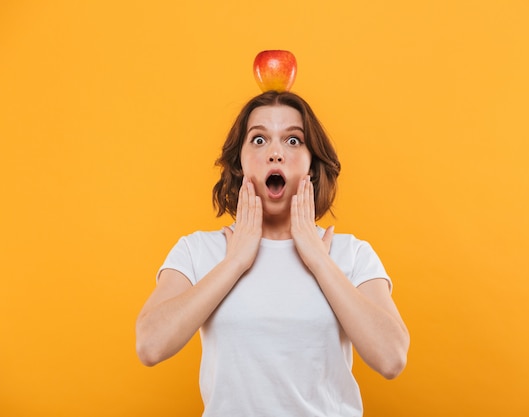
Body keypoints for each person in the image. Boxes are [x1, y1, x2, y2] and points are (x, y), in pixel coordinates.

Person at [136, 91, 410, 416]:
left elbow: (392, 358)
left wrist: (318, 259)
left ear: (312, 163)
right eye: (259, 140)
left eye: (293, 141)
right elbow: (150, 345)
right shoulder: (198, 250)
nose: (276, 153)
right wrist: (235, 262)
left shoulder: (350, 254)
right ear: (239, 162)